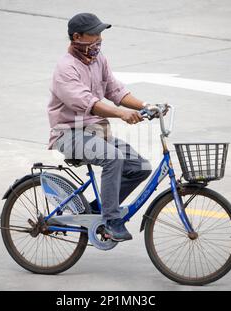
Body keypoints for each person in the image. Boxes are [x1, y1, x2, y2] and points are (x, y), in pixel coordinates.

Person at [47, 13, 152, 242]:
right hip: (69, 134)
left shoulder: (98, 60)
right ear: (77, 37)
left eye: (100, 34)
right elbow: (89, 104)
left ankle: (98, 209)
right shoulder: (66, 69)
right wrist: (122, 114)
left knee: (141, 167)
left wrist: (146, 105)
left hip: (97, 133)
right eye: (94, 35)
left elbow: (115, 90)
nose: (99, 39)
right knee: (113, 158)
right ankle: (111, 220)